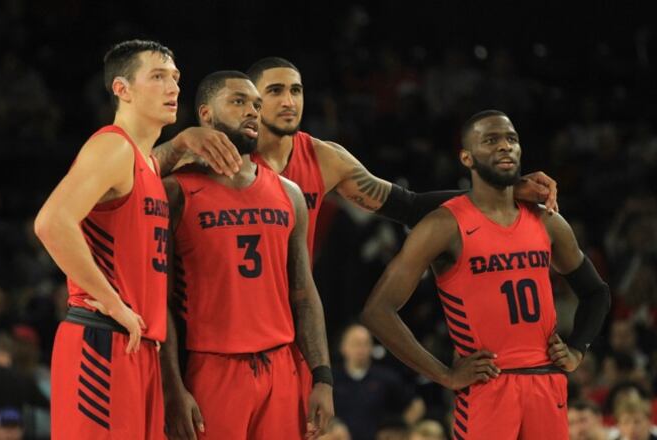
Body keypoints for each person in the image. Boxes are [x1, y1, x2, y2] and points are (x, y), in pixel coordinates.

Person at [152, 56, 560, 419]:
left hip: (285, 332)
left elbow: (408, 205)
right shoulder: (210, 159)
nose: (288, 101)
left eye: (295, 90)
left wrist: (498, 189)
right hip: (210, 339)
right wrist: (178, 142)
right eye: (273, 91)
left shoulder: (323, 158)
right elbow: (137, 185)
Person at [361, 110, 611, 439]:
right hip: (488, 386)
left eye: (511, 139)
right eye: (491, 140)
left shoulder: (548, 222)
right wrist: (445, 375)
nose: (505, 146)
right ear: (466, 157)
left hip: (547, 382)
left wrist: (578, 349)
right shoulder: (443, 225)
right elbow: (377, 311)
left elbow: (597, 294)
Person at [161, 71, 333, 440]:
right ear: (206, 114)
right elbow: (163, 305)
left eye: (256, 104)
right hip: (212, 366)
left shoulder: (288, 193)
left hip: (281, 365)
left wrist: (323, 376)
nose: (252, 112)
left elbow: (303, 291)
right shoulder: (176, 192)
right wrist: (172, 387)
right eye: (238, 102)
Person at [34, 39, 178, 439]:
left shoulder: (147, 162)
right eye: (158, 76)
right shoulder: (113, 146)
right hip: (101, 338)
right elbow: (51, 222)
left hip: (137, 344)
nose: (173, 87)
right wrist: (114, 302)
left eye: (175, 78)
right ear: (122, 88)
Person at [333, 324, 424, 440]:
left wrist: (399, 429)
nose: (360, 349)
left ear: (371, 347)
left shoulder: (385, 378)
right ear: (343, 347)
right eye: (355, 343)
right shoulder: (332, 379)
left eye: (365, 344)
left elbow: (417, 405)